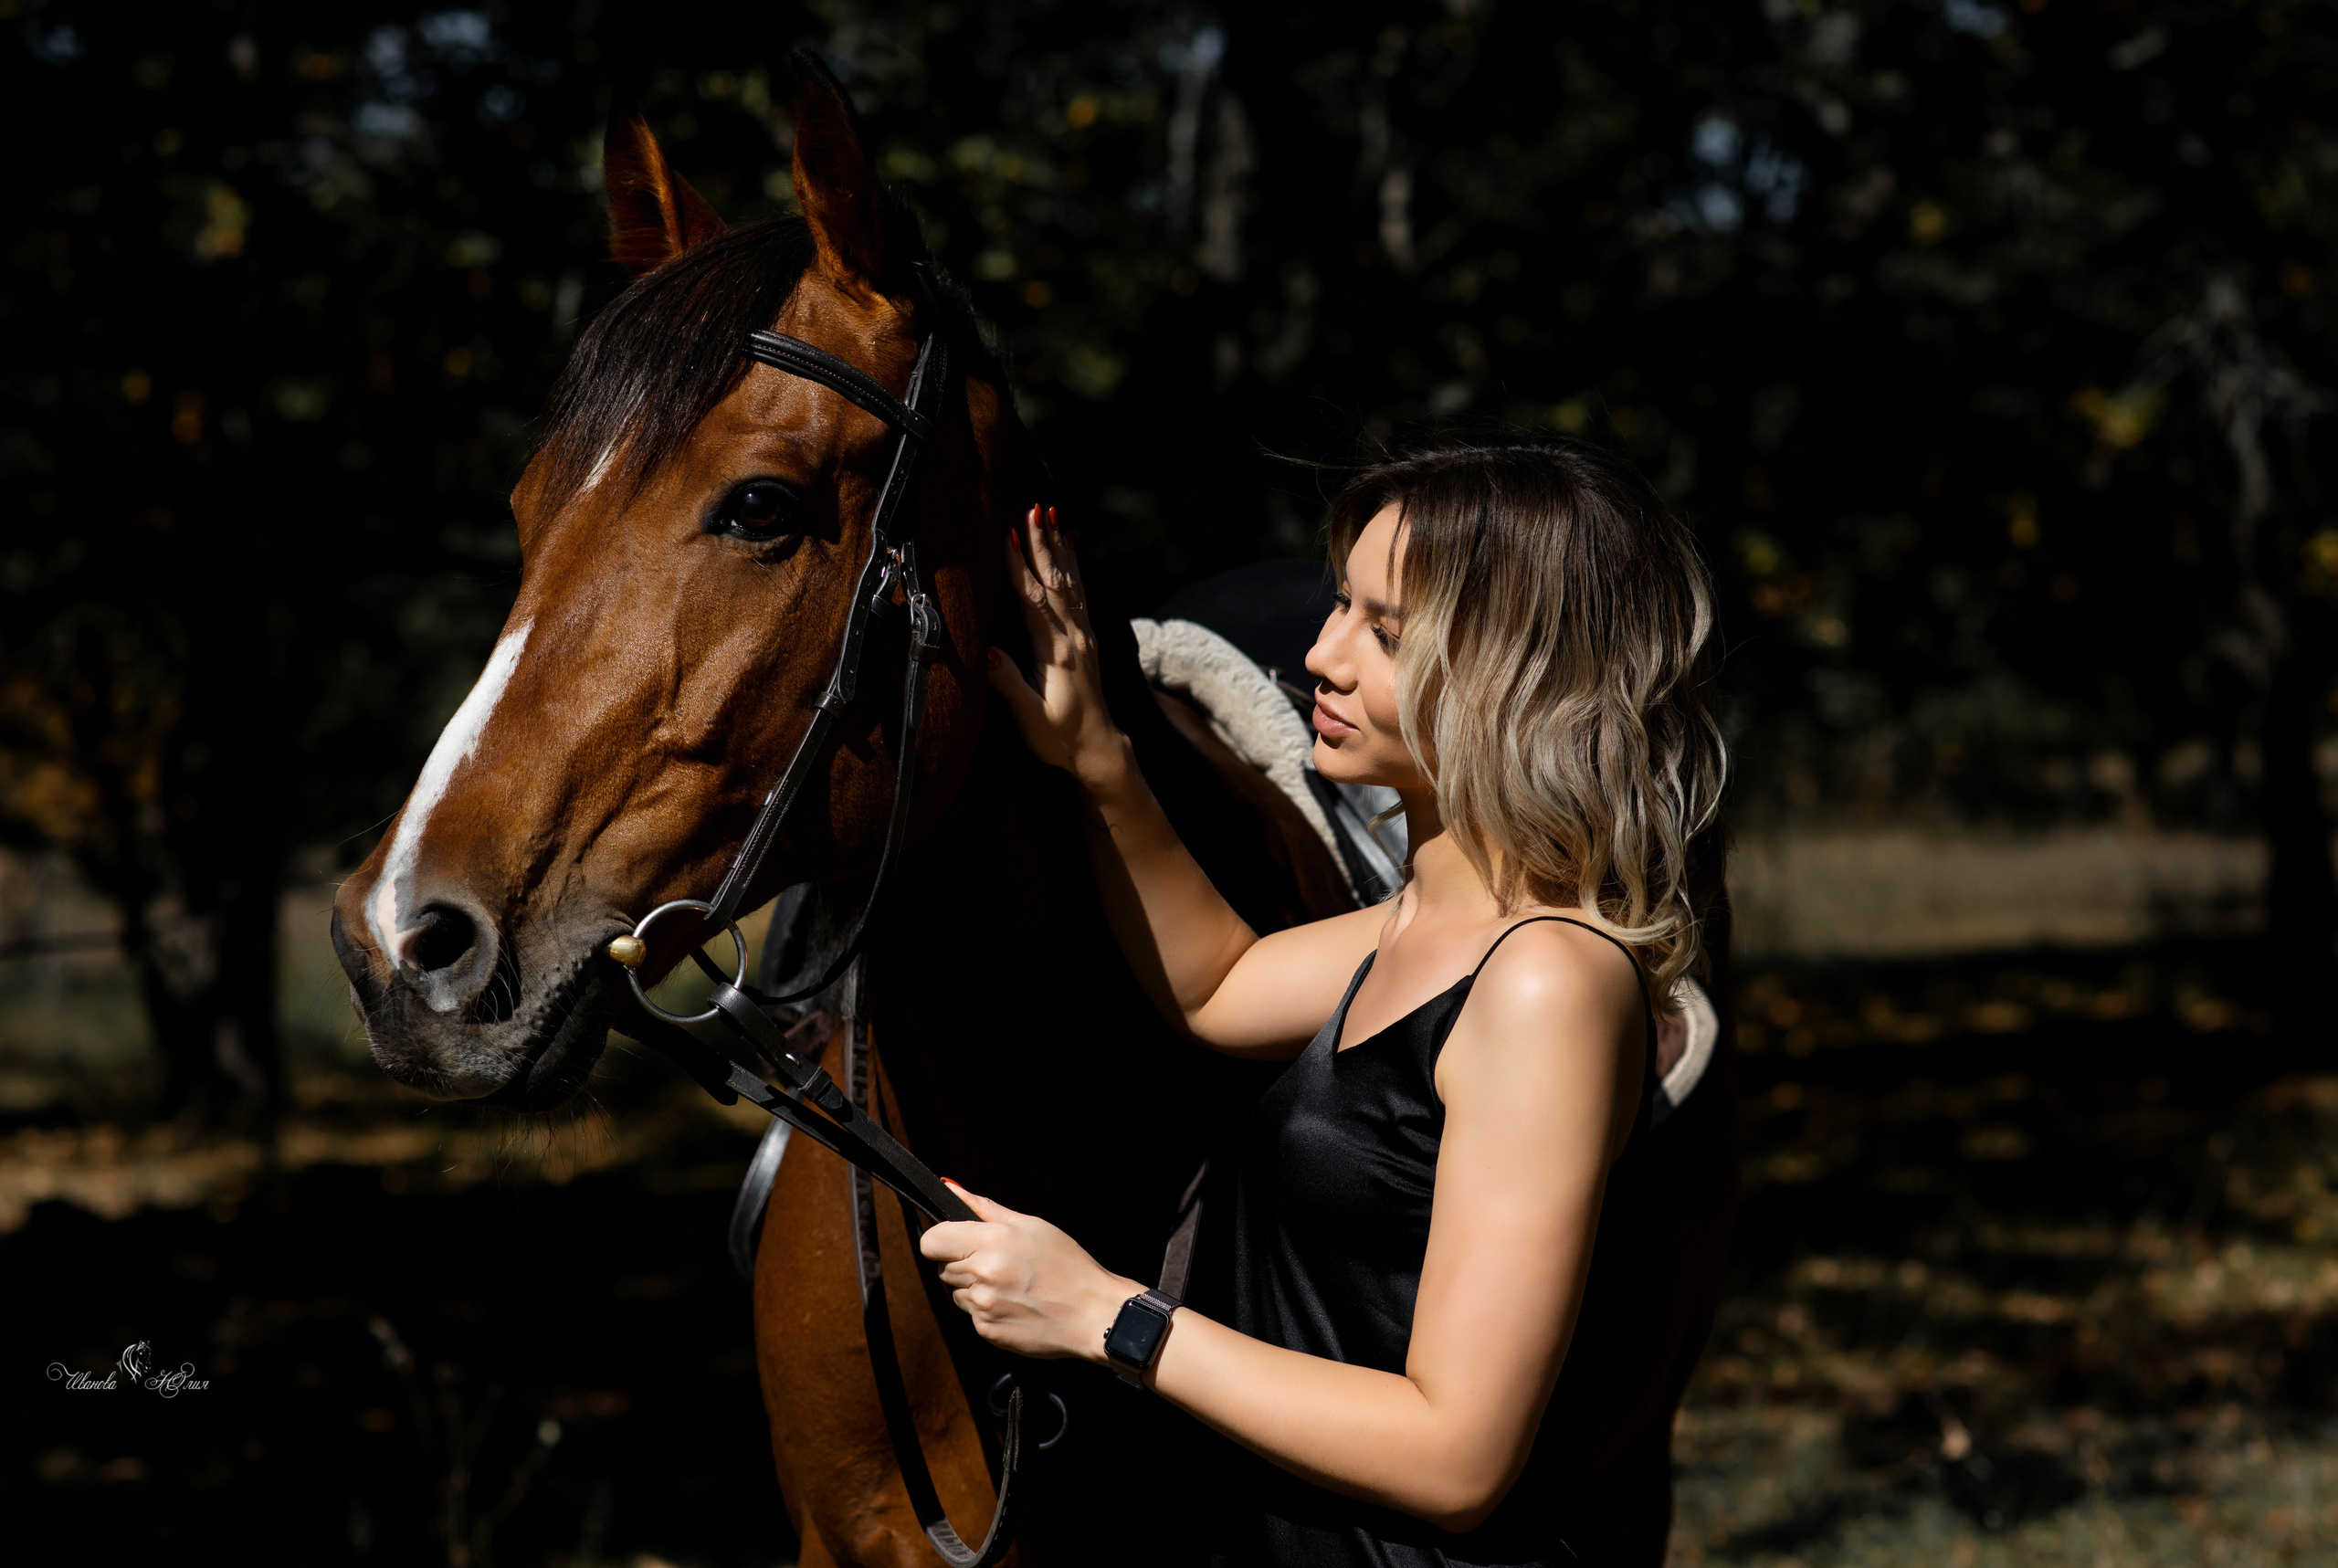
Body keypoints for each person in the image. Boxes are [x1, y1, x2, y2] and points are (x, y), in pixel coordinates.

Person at [921, 438, 1727, 1566]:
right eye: (1340, 603)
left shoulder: (1545, 980)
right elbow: (1218, 984)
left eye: (1385, 632)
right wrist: (1100, 763)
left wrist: (1107, 1314)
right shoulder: (1422, 925)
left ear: (1520, 669)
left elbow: (1459, 1457)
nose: (1317, 656)